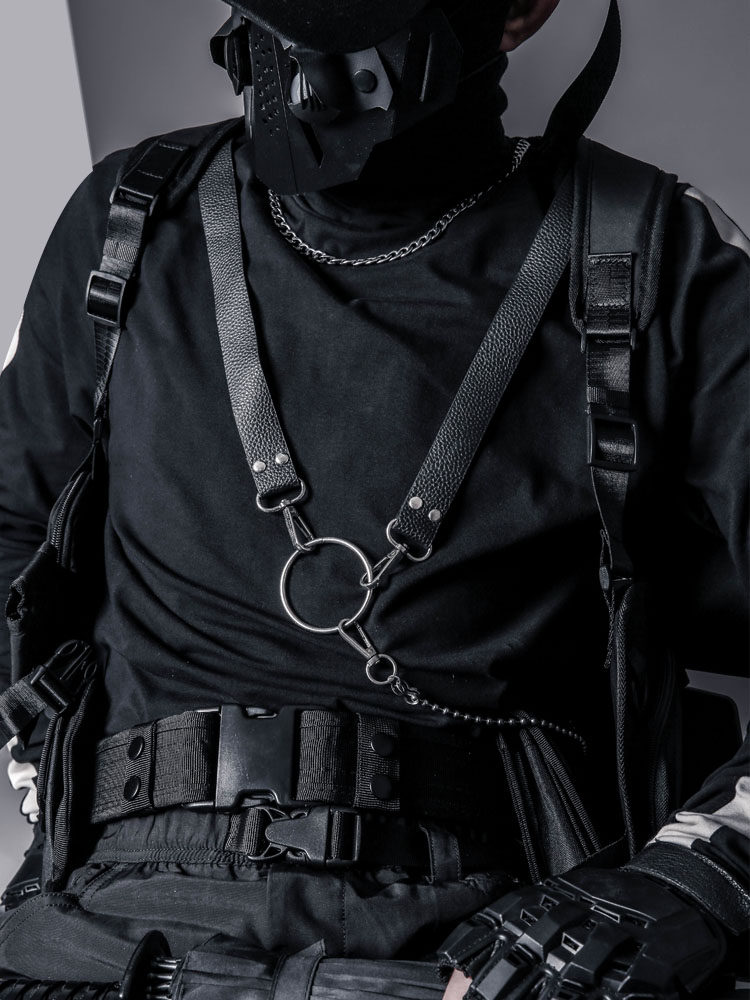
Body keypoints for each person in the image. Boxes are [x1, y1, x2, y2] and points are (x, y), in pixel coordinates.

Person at [0, 0, 746, 997]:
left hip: (474, 939)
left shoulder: (655, 251)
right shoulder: (127, 222)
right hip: (111, 923)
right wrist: (44, 764)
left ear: (520, 9)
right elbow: (10, 525)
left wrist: (697, 876)